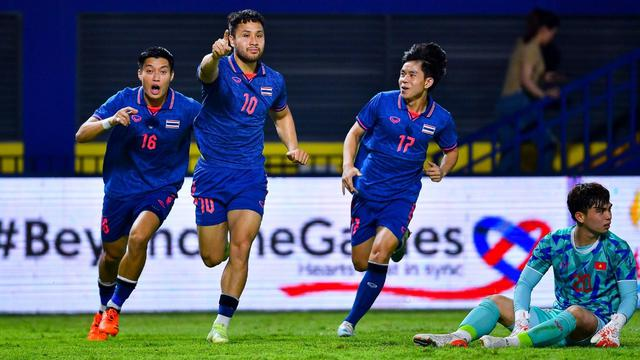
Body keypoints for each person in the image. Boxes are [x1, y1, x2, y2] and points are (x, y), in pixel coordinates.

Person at [192, 9, 308, 344]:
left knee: (242, 247)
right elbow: (205, 70)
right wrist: (213, 55)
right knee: (213, 257)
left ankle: (221, 324)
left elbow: (281, 115)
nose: (253, 41)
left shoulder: (274, 80)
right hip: (212, 174)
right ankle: (223, 245)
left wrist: (292, 145)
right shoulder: (220, 67)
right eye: (245, 34)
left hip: (250, 175)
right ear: (230, 38)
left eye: (258, 34)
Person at [413, 182, 637, 348]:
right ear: (580, 216)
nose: (608, 216)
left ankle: (511, 343)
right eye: (601, 211)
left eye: (609, 209)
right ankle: (457, 337)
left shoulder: (617, 247)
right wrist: (521, 318)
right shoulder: (554, 242)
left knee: (576, 312)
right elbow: (524, 284)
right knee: (495, 301)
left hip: (595, 327)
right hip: (556, 319)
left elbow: (629, 296)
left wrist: (614, 326)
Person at [75, 46, 200, 341]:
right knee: (110, 255)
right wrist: (110, 121)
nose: (156, 77)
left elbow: (217, 130)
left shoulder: (187, 108)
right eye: (150, 70)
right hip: (120, 189)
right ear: (140, 74)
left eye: (163, 71)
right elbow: (81, 134)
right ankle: (103, 308)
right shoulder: (123, 100)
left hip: (161, 188)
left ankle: (115, 309)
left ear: (171, 76)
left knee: (139, 237)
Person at [337, 42, 459, 337]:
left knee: (379, 254)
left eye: (411, 75)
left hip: (402, 196)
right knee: (360, 262)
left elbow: (452, 151)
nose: (403, 79)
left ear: (428, 82)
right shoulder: (382, 102)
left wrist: (440, 170)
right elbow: (353, 135)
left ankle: (349, 322)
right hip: (366, 192)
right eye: (402, 74)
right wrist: (347, 166)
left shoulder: (441, 118)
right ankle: (401, 239)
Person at [496, 8, 561, 174]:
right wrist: (545, 95)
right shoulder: (533, 48)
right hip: (519, 101)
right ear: (544, 30)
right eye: (553, 33)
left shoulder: (523, 43)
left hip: (505, 103)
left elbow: (526, 74)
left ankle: (494, 188)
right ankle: (545, 182)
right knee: (548, 144)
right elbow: (525, 80)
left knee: (510, 153)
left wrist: (546, 77)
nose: (553, 37)